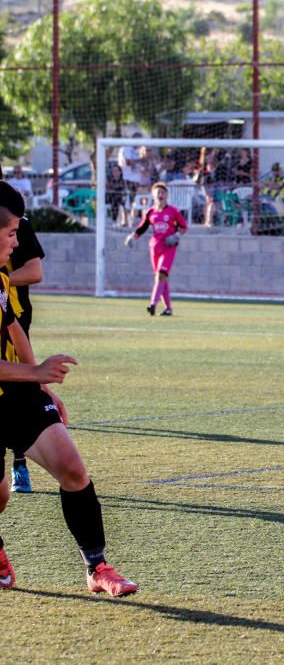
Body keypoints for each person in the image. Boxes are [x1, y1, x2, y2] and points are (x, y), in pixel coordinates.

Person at [0, 189, 139, 597]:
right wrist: (35, 371)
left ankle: (97, 567)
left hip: (16, 391)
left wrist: (40, 383)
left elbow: (13, 330)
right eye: (10, 232)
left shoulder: (1, 279)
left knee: (73, 470)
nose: (17, 241)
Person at [1, 181, 45, 493]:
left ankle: (20, 465)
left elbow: (35, 271)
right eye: (10, 235)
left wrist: (2, 283)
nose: (13, 242)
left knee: (20, 392)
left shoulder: (20, 223)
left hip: (13, 322)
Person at [125, 182, 188, 316]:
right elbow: (142, 227)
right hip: (155, 248)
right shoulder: (150, 212)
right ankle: (168, 309)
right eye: (158, 192)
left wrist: (176, 236)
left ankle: (152, 305)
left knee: (161, 274)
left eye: (163, 192)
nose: (160, 195)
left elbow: (184, 227)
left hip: (168, 247)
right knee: (161, 279)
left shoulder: (173, 211)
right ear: (153, 196)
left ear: (166, 195)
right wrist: (132, 237)